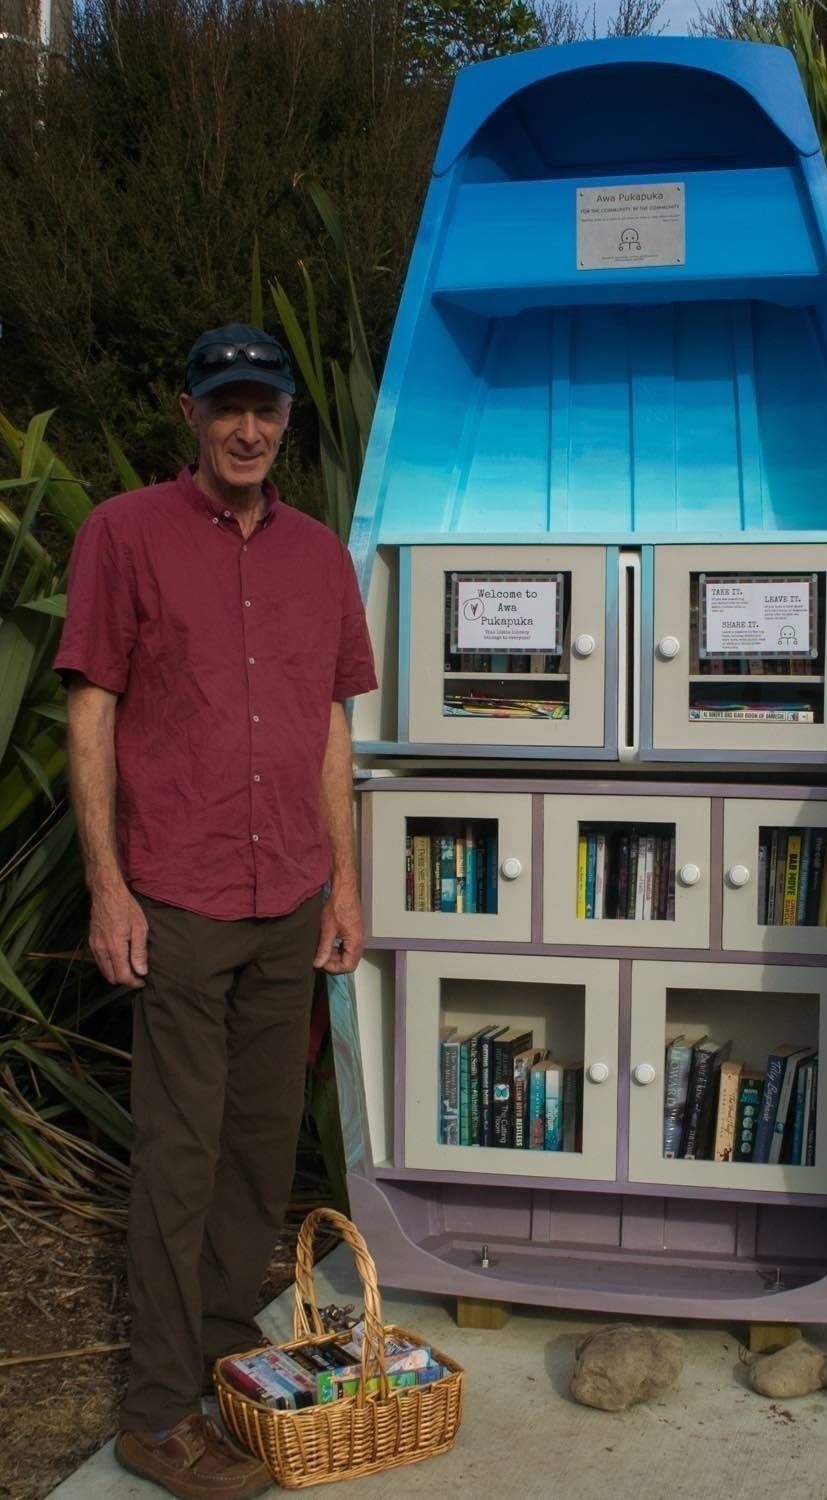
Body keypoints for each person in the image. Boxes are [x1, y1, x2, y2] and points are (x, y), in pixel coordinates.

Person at [55, 323, 377, 1500]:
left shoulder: (319, 556)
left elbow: (330, 727)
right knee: (178, 1160)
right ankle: (152, 1415)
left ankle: (219, 1355)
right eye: (226, 403)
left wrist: (344, 882)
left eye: (267, 406)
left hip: (289, 894)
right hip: (180, 896)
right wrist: (106, 883)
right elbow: (90, 713)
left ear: (290, 416)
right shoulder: (121, 534)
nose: (248, 427)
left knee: (255, 1152)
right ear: (187, 410)